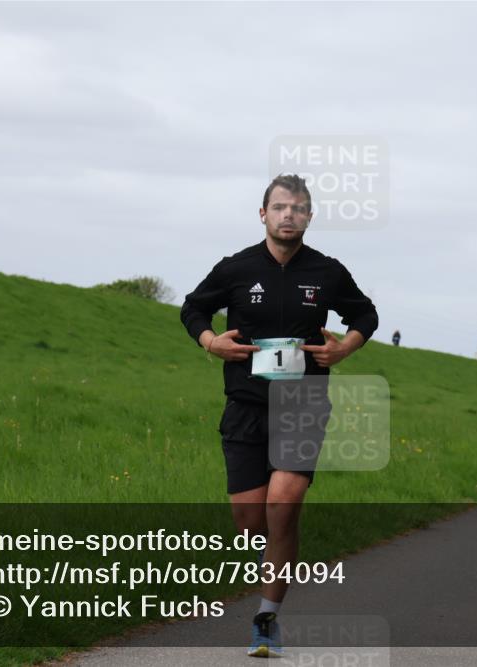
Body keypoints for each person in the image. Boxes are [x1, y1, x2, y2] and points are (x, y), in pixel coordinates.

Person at [180, 174, 378, 658]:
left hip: (303, 403)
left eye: (299, 208)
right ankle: (278, 553)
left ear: (310, 217)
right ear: (263, 213)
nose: (289, 214)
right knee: (251, 522)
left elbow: (365, 314)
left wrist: (345, 348)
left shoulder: (327, 272)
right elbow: (192, 309)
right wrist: (212, 342)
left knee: (282, 507)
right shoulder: (235, 268)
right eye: (280, 207)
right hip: (246, 404)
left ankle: (266, 616)